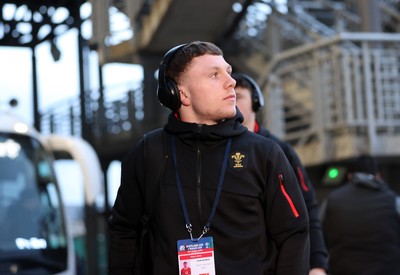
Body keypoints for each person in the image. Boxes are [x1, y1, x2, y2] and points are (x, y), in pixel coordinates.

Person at [108, 41, 310, 275]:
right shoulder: (147, 153)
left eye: (228, 72)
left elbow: (294, 232)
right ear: (180, 93)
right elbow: (124, 233)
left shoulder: (264, 153)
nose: (231, 81)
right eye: (214, 75)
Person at [232, 72, 329, 275]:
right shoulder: (217, 149)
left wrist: (317, 263)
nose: (232, 101)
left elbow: (307, 207)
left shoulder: (278, 149)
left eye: (238, 96)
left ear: (256, 103)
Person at [320, 155, 400, 275]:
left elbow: (318, 237)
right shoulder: (394, 200)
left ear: (349, 176)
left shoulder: (331, 201)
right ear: (378, 176)